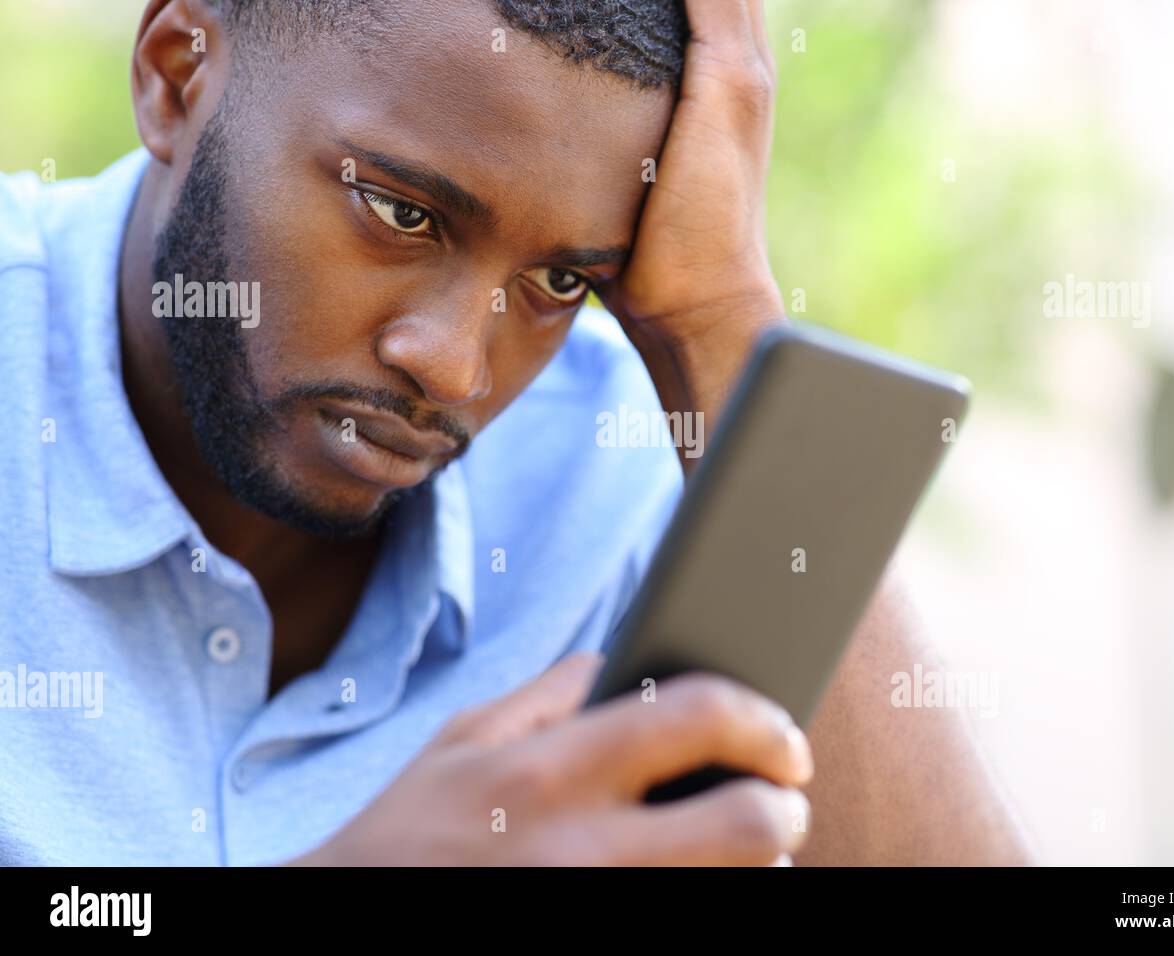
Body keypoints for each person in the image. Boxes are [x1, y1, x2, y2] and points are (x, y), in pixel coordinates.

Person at [0, 0, 1031, 866]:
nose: (451, 365)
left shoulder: (618, 469)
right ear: (178, 75)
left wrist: (721, 321)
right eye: (401, 214)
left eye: (558, 281)